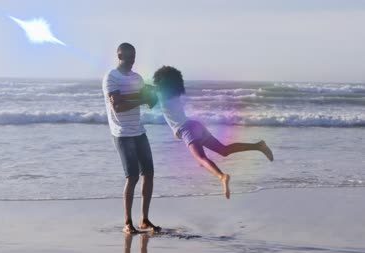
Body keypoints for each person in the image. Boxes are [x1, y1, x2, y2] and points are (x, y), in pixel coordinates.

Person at [150, 66, 274, 199]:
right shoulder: (176, 93)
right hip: (195, 125)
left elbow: (148, 96)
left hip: (186, 129)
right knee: (223, 150)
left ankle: (222, 176)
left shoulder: (159, 94)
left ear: (160, 81)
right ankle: (258, 146)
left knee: (201, 158)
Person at [102, 43, 160, 234]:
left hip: (138, 131)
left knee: (149, 174)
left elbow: (146, 98)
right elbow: (117, 106)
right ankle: (128, 222)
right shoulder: (111, 77)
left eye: (134, 56)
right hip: (122, 133)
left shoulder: (137, 78)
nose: (132, 61)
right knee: (132, 176)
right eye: (128, 57)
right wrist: (143, 98)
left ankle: (144, 219)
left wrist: (153, 96)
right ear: (120, 56)